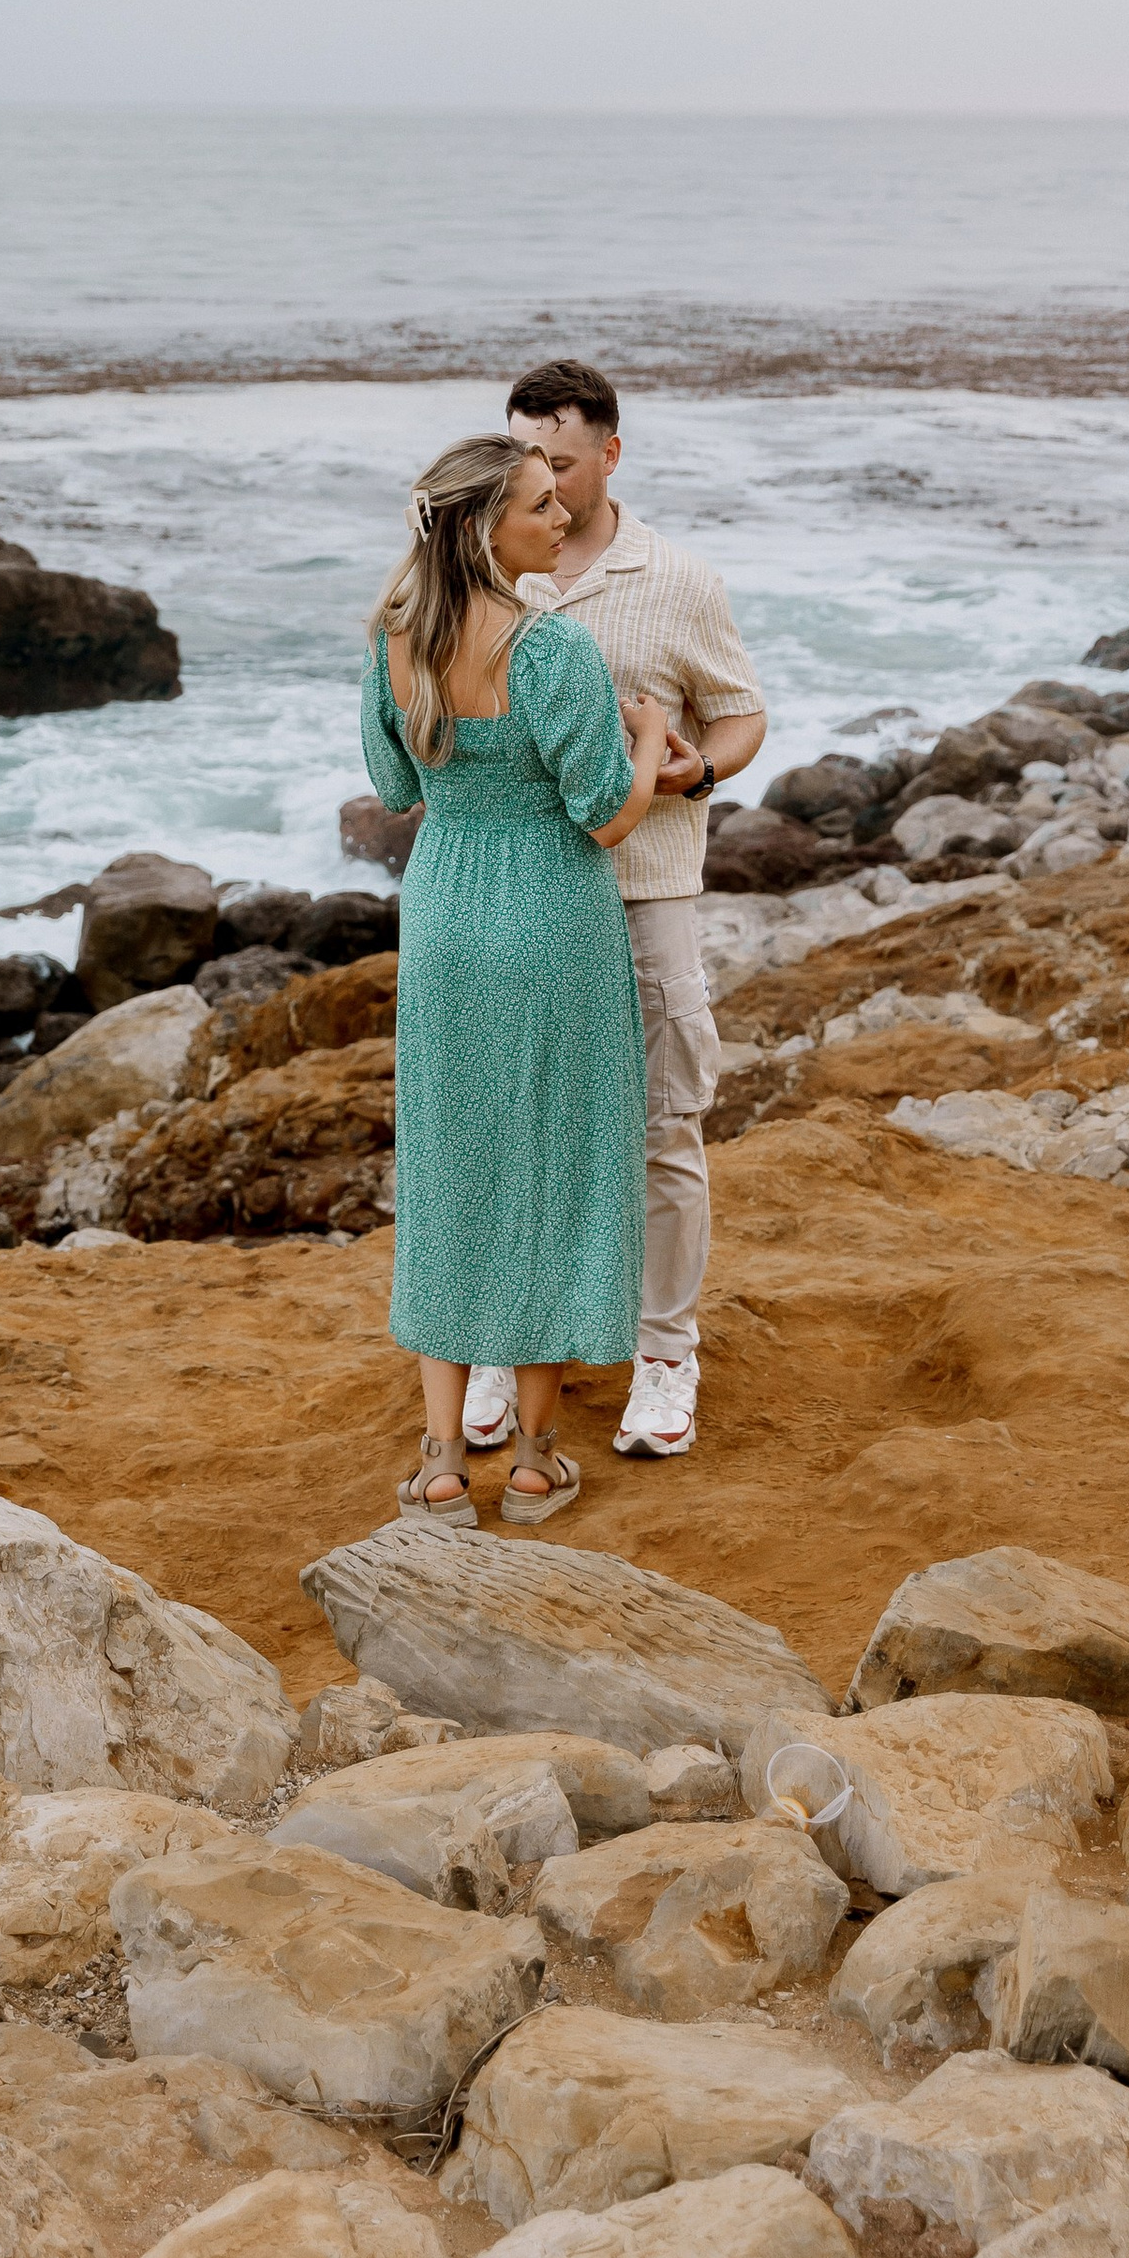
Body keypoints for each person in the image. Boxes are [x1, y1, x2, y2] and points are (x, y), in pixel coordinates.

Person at [361, 429, 676, 1530]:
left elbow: (395, 779)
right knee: (562, 1166)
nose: (560, 518)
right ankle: (535, 1462)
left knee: (453, 1168)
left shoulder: (393, 637)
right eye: (541, 505)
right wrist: (647, 743)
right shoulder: (549, 651)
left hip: (447, 909)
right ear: (484, 526)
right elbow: (604, 814)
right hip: (550, 918)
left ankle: (442, 1462)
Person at [462, 359, 767, 1469]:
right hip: (529, 892)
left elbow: (739, 713)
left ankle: (663, 1354)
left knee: (662, 1123)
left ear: (610, 455)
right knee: (512, 1119)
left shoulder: (677, 578)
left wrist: (695, 773)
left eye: (559, 455)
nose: (540, 473)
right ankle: (499, 1341)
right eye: (524, 454)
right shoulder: (489, 572)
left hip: (645, 887)